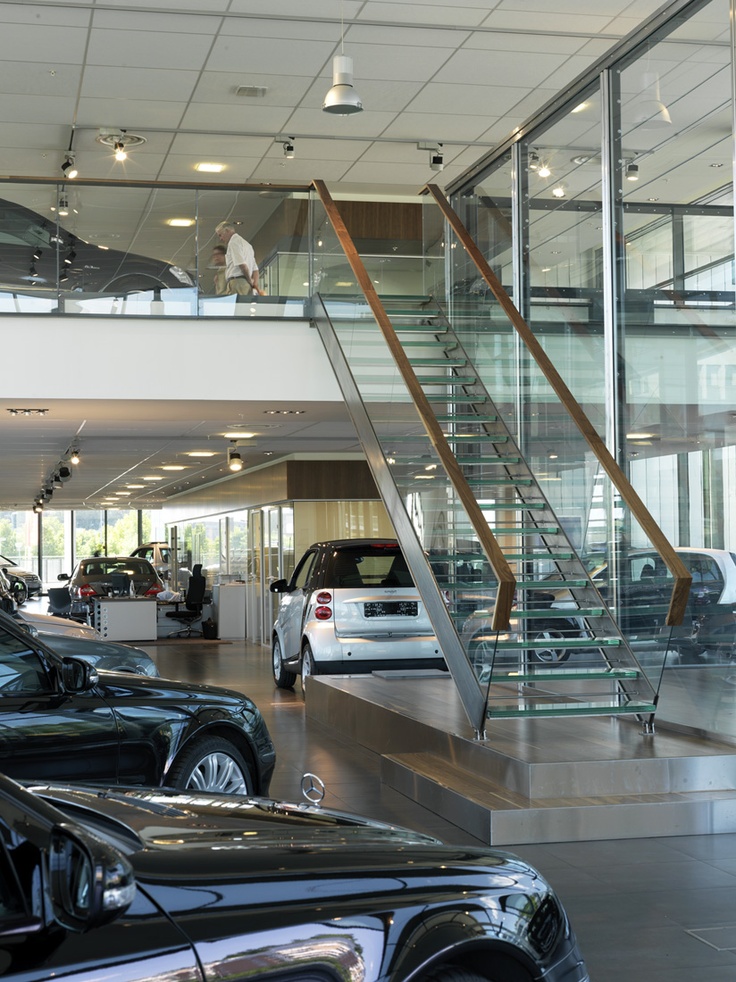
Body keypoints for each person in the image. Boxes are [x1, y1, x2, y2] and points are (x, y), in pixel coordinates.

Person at [215, 221, 260, 296]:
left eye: (220, 235)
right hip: (246, 285)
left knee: (236, 306)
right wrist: (254, 285)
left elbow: (242, 265)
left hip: (237, 282)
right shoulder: (247, 245)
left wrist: (249, 280)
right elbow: (255, 271)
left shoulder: (233, 242)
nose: (221, 238)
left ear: (227, 231)